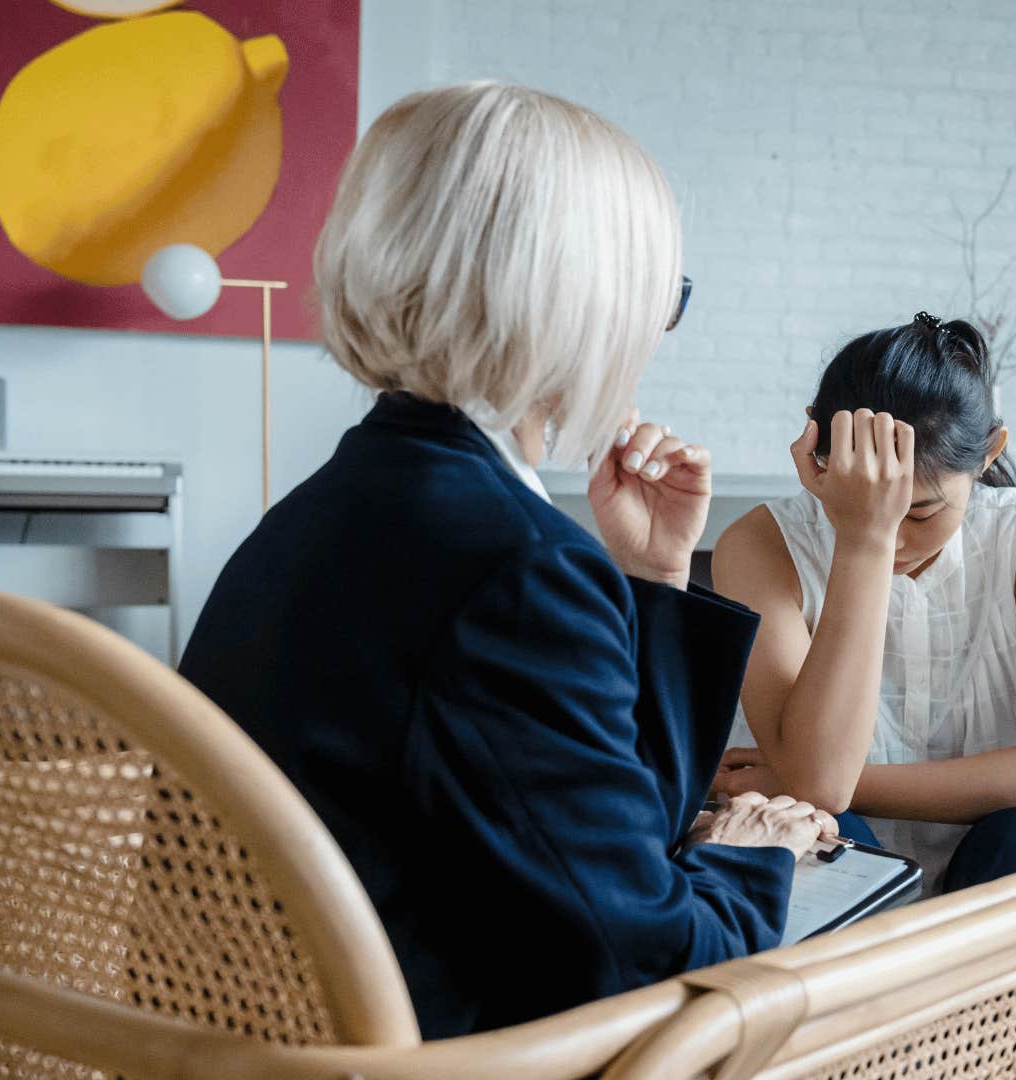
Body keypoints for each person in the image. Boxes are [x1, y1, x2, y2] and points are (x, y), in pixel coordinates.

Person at [178, 82, 833, 1038]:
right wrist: (751, 850)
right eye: (664, 300)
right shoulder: (514, 568)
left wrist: (650, 582)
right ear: (582, 303)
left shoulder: (331, 511)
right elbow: (657, 974)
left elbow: (589, 843)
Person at [710, 312, 1016, 893]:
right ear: (817, 450)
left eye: (920, 511)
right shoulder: (758, 545)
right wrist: (861, 541)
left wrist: (839, 778)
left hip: (996, 861)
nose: (895, 535)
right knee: (815, 830)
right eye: (875, 505)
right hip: (833, 847)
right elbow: (822, 788)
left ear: (988, 453)